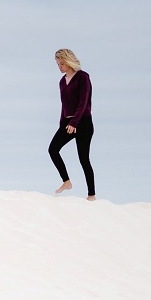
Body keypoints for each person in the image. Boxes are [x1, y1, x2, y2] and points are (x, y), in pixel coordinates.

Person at [49, 48, 95, 200]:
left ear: (69, 62)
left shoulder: (83, 77)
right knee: (53, 149)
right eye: (58, 63)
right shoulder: (62, 81)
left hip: (83, 122)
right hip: (68, 122)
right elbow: (64, 105)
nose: (59, 66)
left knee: (83, 159)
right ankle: (66, 182)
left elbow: (83, 102)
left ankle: (91, 195)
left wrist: (74, 122)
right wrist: (63, 124)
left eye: (62, 63)